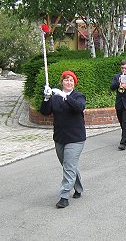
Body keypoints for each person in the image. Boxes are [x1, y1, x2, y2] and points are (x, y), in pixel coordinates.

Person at [40, 70, 86, 209]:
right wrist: (47, 98)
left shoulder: (79, 96)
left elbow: (79, 107)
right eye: (66, 80)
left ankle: (64, 196)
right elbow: (45, 111)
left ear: (74, 83)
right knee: (68, 165)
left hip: (75, 138)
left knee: (68, 166)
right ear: (62, 82)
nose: (68, 82)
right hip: (60, 137)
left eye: (71, 80)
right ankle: (78, 188)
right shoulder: (55, 98)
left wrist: (65, 96)